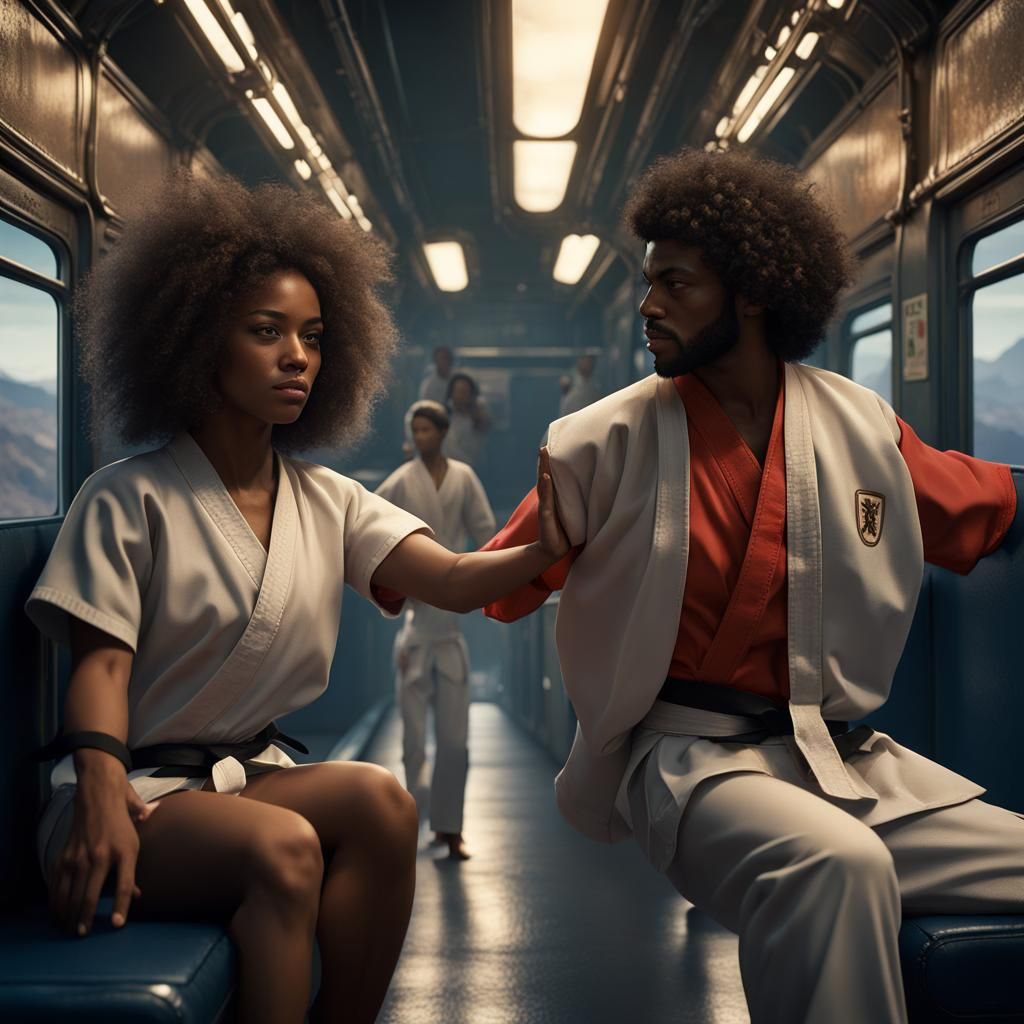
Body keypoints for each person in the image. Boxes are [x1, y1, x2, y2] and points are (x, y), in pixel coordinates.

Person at [481, 148, 1023, 1024]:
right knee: (838, 865)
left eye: (676, 284)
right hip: (693, 764)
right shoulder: (599, 441)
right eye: (648, 282)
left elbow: (981, 506)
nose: (650, 306)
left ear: (754, 292)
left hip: (842, 764)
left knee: (872, 851)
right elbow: (501, 582)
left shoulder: (859, 423)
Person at [26, 172, 568, 1024]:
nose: (299, 358)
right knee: (284, 848)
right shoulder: (126, 495)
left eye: (314, 337)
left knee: (385, 804)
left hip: (247, 781)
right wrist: (97, 789)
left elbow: (458, 581)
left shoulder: (332, 499)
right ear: (198, 341)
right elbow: (100, 665)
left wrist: (560, 538)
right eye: (267, 332)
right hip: (134, 790)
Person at [376, 401, 496, 860]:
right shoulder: (400, 481)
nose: (420, 436)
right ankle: (411, 824)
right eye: (415, 429)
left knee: (454, 740)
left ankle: (450, 827)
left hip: (450, 632)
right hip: (413, 628)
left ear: (443, 432)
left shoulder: (464, 478)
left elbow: (487, 535)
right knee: (411, 741)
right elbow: (369, 536)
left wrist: (480, 578)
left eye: (427, 428)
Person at [444, 371, 490, 467]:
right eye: (458, 391)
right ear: (451, 394)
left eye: (465, 392)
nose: (461, 396)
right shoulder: (445, 418)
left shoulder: (477, 418)